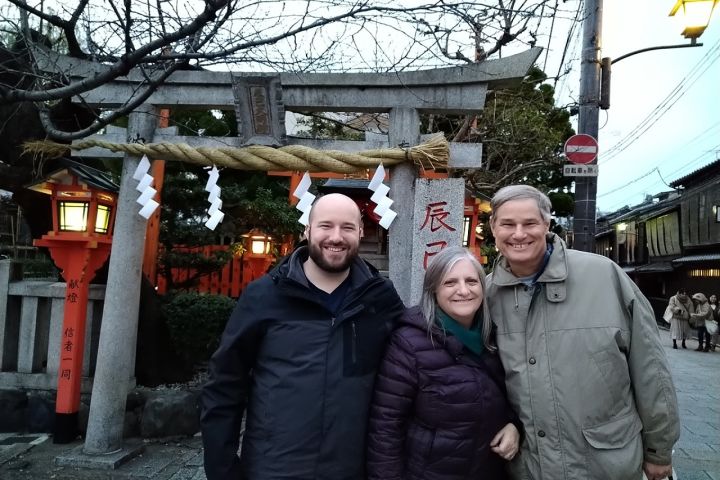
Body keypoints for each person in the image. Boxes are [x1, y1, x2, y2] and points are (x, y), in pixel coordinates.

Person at [200, 193, 404, 480]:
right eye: (325, 226)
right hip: (274, 467)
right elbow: (224, 385)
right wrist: (222, 469)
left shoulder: (380, 299)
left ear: (360, 232)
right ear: (307, 230)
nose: (336, 237)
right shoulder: (264, 296)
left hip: (352, 467)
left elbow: (416, 356)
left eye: (347, 227)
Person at [484, 185, 680, 480]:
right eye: (508, 224)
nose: (519, 234)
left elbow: (650, 369)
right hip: (529, 463)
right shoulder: (486, 294)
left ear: (547, 224)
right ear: (493, 228)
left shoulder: (605, 276)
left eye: (530, 223)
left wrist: (658, 450)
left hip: (607, 461)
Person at [367, 246, 520, 480]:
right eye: (450, 283)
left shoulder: (496, 336)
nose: (463, 290)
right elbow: (386, 427)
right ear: (434, 290)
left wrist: (514, 426)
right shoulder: (409, 343)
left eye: (471, 281)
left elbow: (520, 395)